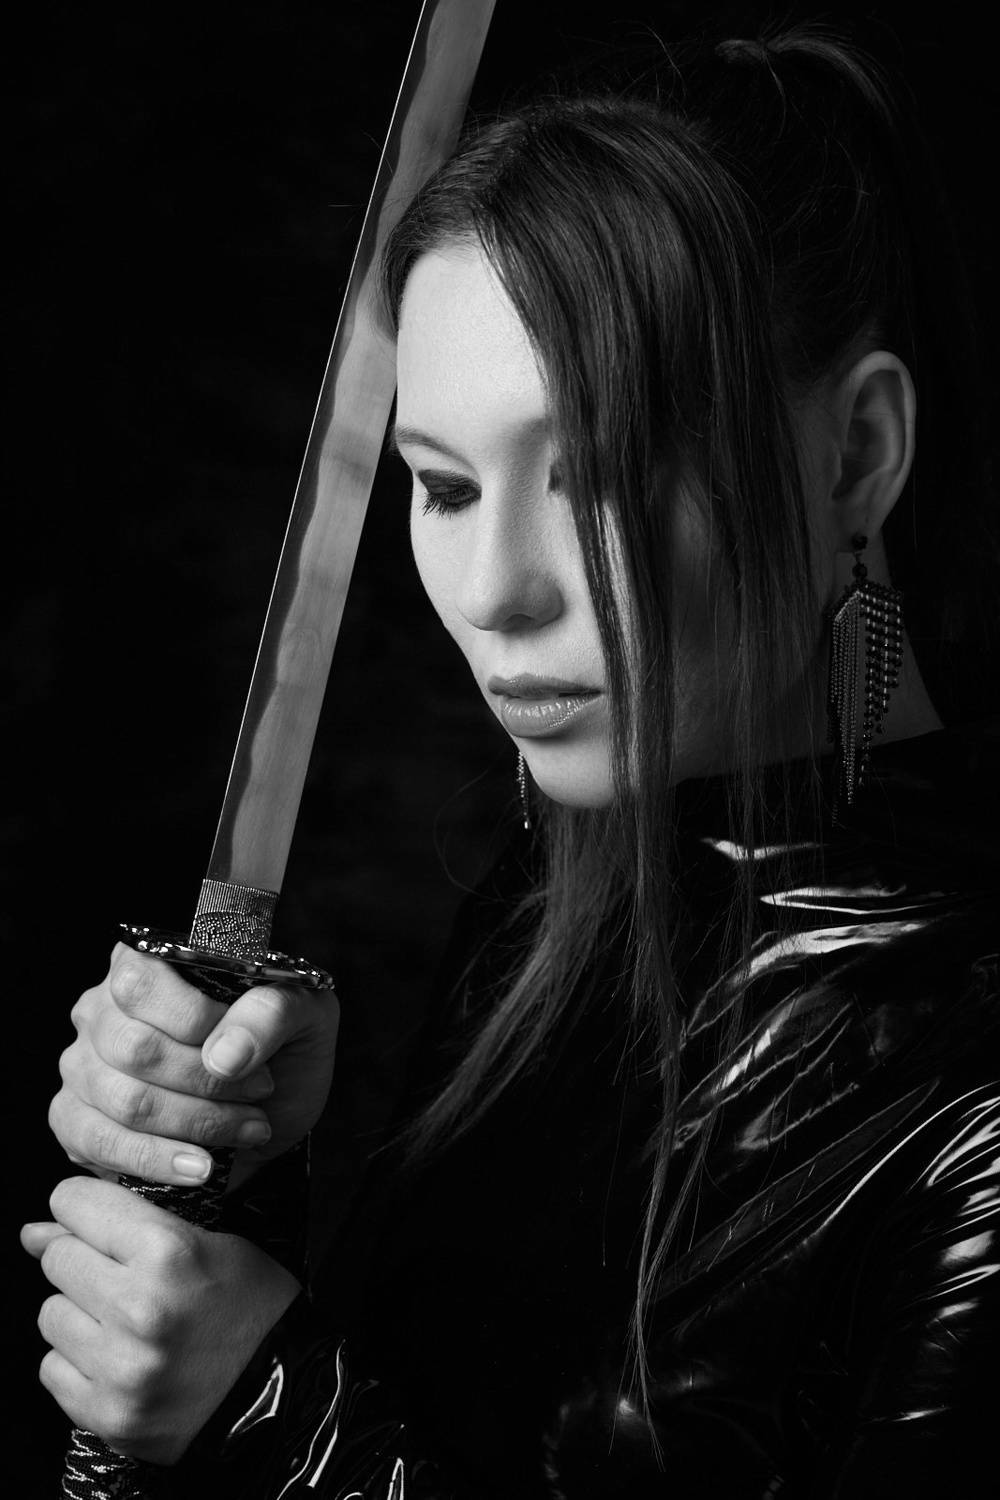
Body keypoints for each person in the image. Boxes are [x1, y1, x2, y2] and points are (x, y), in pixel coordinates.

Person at [21, 21, 999, 1498]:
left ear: (856, 452)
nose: (496, 594)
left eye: (597, 474)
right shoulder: (562, 891)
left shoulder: (973, 1092)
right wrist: (227, 1195)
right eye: (444, 486)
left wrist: (275, 1425)